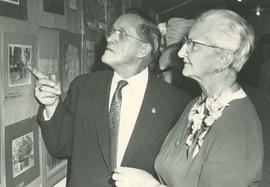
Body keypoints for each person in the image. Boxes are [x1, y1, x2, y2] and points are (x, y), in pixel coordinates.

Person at [29, 12, 191, 187]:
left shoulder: (177, 103)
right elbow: (61, 146)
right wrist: (52, 105)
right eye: (111, 32)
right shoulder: (83, 87)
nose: (109, 38)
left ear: (143, 49)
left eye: (121, 34)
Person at [112, 9, 264, 187]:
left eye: (193, 44)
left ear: (223, 59)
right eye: (185, 42)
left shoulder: (238, 127)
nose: (181, 52)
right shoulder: (195, 106)